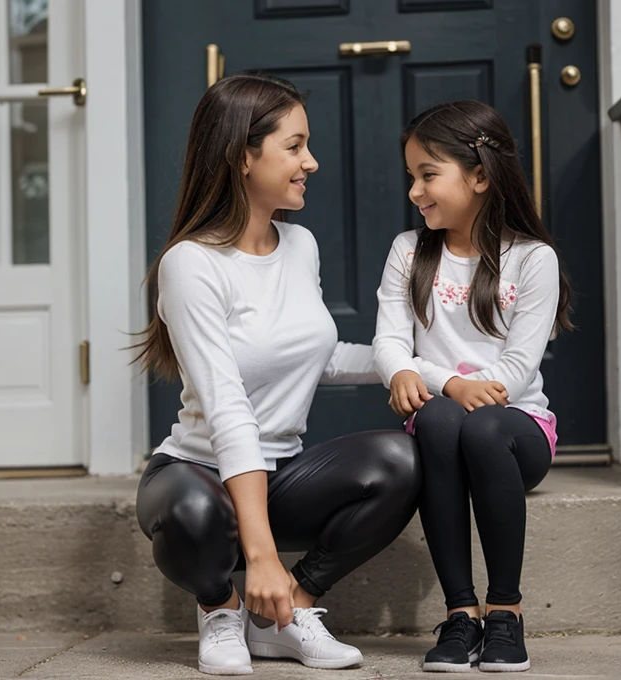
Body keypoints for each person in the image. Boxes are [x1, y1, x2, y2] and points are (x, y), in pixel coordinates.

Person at [133, 72, 421, 677]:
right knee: (193, 513)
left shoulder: (300, 245)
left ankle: (285, 614)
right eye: (294, 147)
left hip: (281, 473)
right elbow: (227, 405)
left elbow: (322, 355)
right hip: (197, 471)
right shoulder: (190, 266)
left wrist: (429, 370)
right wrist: (260, 556)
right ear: (243, 155)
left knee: (403, 459)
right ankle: (221, 608)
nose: (310, 162)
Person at [373, 100, 573, 673]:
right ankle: (461, 615)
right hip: (442, 429)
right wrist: (432, 382)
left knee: (483, 427)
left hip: (516, 433)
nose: (415, 190)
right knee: (437, 418)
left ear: (480, 175)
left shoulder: (533, 259)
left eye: (428, 175)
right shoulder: (408, 253)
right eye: (412, 176)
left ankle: (504, 612)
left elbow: (518, 367)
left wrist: (455, 386)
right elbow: (389, 345)